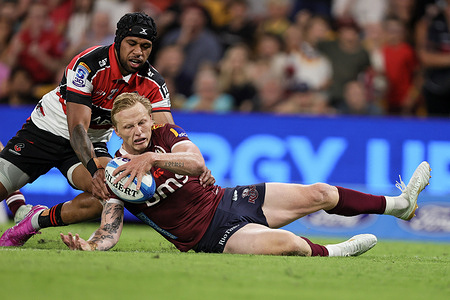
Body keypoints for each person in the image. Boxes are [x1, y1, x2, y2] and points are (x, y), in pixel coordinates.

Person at [48, 92, 430, 256]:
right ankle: (334, 253)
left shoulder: (166, 134)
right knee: (289, 245)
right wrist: (92, 245)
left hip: (229, 199)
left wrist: (152, 159)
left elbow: (197, 163)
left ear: (151, 119)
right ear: (116, 132)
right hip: (209, 234)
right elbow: (111, 228)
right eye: (129, 127)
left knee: (320, 192)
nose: (139, 132)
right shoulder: (116, 174)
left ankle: (400, 205)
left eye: (143, 122)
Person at [0, 12, 174, 230]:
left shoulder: (153, 82)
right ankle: (15, 199)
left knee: (111, 193)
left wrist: (186, 160)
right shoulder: (88, 64)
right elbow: (77, 128)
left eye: (146, 46)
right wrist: (95, 170)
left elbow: (168, 133)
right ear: (118, 40)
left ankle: (32, 221)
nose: (139, 52)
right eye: (132, 43)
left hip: (92, 140)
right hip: (47, 130)